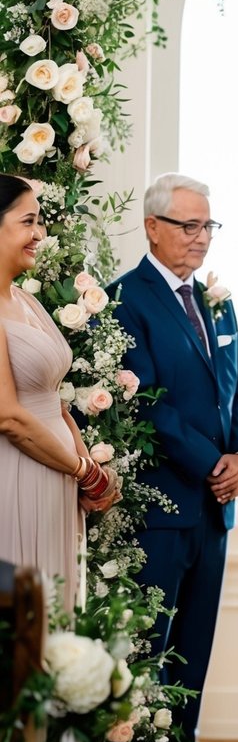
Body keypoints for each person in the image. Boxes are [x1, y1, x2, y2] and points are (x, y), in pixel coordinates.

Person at [109, 173, 238, 742]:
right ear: (152, 227)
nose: (200, 239)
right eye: (187, 226)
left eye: (207, 227)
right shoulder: (125, 301)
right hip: (162, 509)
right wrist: (210, 465)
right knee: (149, 652)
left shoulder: (218, 303)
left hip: (217, 512)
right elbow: (147, 404)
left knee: (193, 651)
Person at [0, 176, 119, 613]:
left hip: (58, 476)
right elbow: (8, 416)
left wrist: (88, 469)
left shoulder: (24, 300)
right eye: (28, 221)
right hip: (16, 473)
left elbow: (55, 400)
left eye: (41, 222)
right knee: (24, 618)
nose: (39, 234)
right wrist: (83, 470)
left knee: (58, 611)